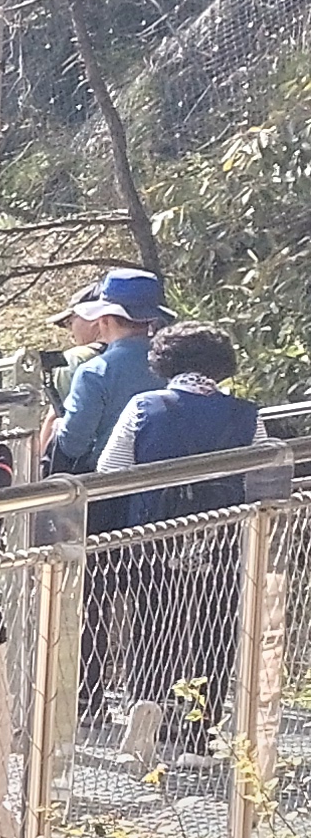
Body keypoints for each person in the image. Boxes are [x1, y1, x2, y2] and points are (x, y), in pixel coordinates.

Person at [97, 322, 261, 760]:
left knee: (152, 624)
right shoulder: (246, 414)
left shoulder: (144, 406)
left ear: (164, 361)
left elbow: (110, 469)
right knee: (214, 629)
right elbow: (263, 477)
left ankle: (146, 713)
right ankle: (199, 734)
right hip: (221, 538)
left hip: (153, 537)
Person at [45, 267, 176, 476]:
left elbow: (73, 446)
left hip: (110, 483)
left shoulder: (94, 373)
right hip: (169, 476)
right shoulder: (175, 363)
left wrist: (59, 427)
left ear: (105, 319)